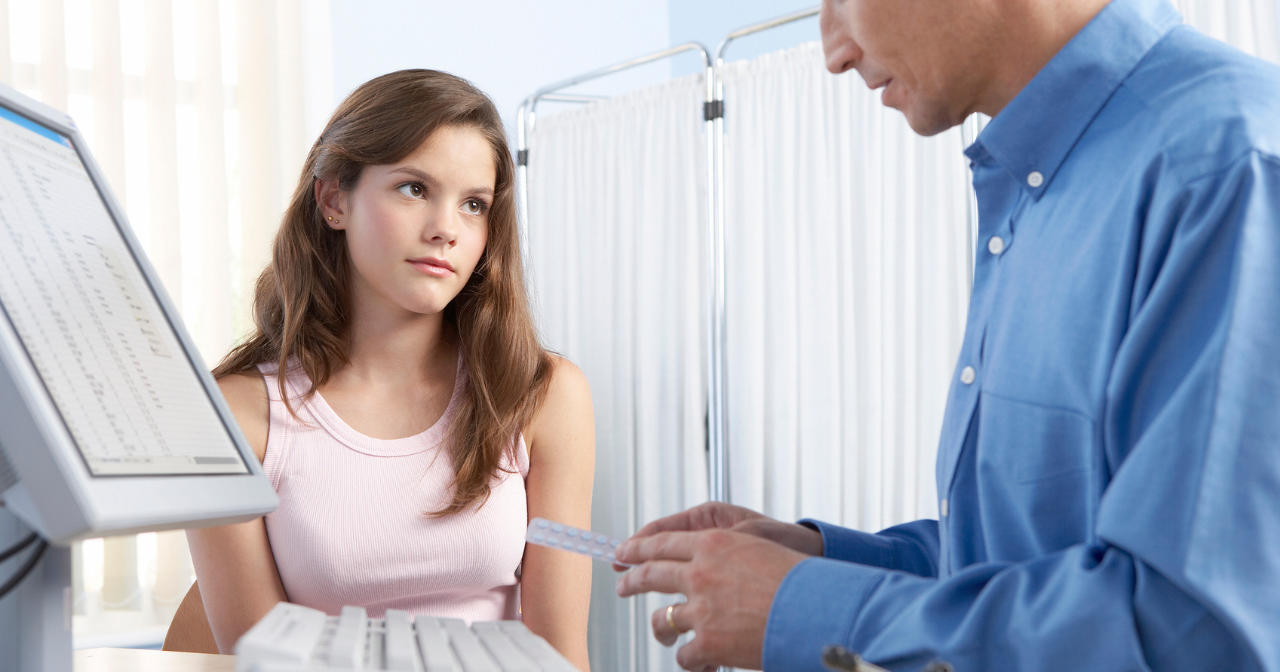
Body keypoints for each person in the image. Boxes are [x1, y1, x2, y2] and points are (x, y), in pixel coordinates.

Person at [613, 0, 1280, 670]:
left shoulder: (1227, 168)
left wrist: (806, 608)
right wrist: (815, 564)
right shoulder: (1040, 190)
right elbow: (1017, 558)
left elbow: (1199, 636)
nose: (833, 49)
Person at [186, 70, 595, 671]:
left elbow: (561, 657)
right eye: (413, 189)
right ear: (333, 200)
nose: (446, 229)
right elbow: (259, 660)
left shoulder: (544, 396)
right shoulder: (236, 415)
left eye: (474, 204)